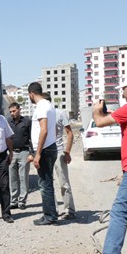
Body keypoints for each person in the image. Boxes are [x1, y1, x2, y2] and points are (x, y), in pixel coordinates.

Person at [82, 73, 127, 254]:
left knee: (119, 212)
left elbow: (99, 122)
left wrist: (95, 110)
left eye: (124, 90)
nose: (123, 94)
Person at [27, 82, 59, 226]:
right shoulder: (49, 105)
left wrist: (38, 153)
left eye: (29, 96)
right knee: (47, 183)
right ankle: (50, 213)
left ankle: (50, 216)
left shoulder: (41, 107)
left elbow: (44, 130)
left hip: (45, 150)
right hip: (51, 147)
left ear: (31, 93)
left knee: (44, 184)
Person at [42, 92, 76, 220]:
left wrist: (67, 152)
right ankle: (52, 210)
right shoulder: (41, 115)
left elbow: (70, 133)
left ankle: (69, 210)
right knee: (47, 184)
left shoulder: (60, 113)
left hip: (59, 151)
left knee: (64, 182)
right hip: (46, 152)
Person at [7, 102, 32, 210]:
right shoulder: (8, 123)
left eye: (14, 111)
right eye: (10, 112)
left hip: (24, 153)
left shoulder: (27, 122)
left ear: (19, 109)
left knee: (23, 178)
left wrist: (32, 153)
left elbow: (32, 138)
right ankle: (13, 201)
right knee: (12, 178)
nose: (12, 113)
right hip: (12, 153)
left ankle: (22, 201)